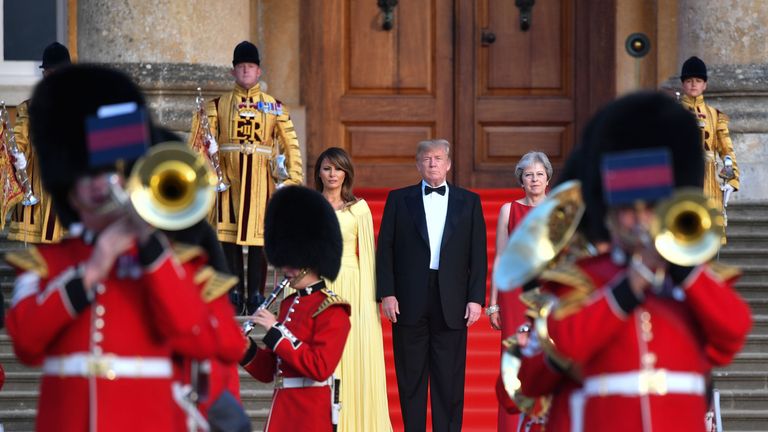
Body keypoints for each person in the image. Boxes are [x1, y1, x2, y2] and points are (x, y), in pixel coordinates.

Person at [4, 64, 214, 431]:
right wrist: (92, 270)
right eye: (86, 174)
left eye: (109, 171)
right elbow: (26, 342)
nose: (100, 184)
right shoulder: (43, 262)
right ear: (68, 186)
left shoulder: (171, 260)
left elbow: (195, 333)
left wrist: (149, 244)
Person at [542, 92, 752, 431]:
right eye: (628, 210)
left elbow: (733, 331)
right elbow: (566, 343)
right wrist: (630, 285)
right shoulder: (584, 280)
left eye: (651, 208)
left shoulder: (696, 282)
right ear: (608, 217)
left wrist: (683, 269)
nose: (640, 220)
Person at [376, 139, 487, 432]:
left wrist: (476, 298)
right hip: (409, 296)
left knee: (449, 380)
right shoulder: (398, 199)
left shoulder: (469, 201)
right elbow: (384, 248)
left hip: (452, 297)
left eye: (438, 158)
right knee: (410, 377)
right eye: (427, 158)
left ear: (449, 163)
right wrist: (387, 293)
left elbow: (478, 254)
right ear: (418, 164)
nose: (433, 163)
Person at [189, 40, 304, 315]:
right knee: (227, 237)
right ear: (233, 72)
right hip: (227, 179)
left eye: (250, 67)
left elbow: (290, 145)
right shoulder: (216, 105)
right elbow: (197, 145)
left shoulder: (275, 107)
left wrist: (292, 180)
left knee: (258, 238)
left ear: (259, 72)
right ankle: (233, 292)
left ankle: (254, 294)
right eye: (240, 67)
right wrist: (206, 175)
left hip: (261, 180)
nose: (245, 71)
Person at [240, 185, 351, 432]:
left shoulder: (332, 309)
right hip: (282, 409)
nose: (284, 270)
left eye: (289, 262)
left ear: (307, 258)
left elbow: (319, 368)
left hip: (309, 414)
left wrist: (277, 331)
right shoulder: (290, 303)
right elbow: (271, 371)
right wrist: (246, 349)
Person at [313, 147, 393, 432]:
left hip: (353, 282)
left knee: (352, 353)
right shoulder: (309, 206)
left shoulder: (359, 208)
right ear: (319, 173)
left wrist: (371, 303)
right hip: (318, 284)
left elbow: (369, 257)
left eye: (338, 168)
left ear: (346, 172)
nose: (332, 174)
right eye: (327, 168)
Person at [487, 150, 552, 430]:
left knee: (550, 356)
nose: (534, 179)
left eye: (539, 174)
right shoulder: (508, 210)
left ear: (547, 178)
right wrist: (493, 303)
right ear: (521, 180)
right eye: (529, 175)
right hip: (514, 295)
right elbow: (500, 257)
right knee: (514, 362)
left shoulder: (559, 208)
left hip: (549, 290)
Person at [4, 42, 70, 244]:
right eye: (48, 73)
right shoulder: (30, 107)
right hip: (38, 191)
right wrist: (18, 156)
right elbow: (18, 138)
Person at [679, 56, 740, 242]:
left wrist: (732, 179)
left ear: (705, 84)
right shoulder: (674, 112)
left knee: (709, 237)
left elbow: (726, 151)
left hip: (711, 182)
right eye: (689, 81)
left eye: (698, 81)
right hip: (684, 179)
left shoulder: (716, 115)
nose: (693, 85)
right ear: (683, 84)